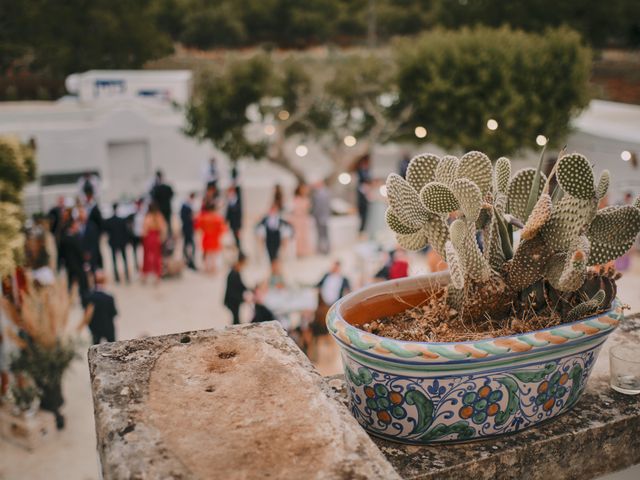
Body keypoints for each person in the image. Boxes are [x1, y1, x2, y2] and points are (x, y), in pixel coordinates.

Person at [79, 270, 117, 344]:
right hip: (107, 327)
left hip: (95, 327)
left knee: (95, 347)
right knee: (113, 346)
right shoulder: (109, 298)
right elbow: (113, 313)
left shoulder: (88, 297)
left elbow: (86, 312)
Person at [314, 261, 350, 335]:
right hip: (323, 303)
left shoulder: (344, 279)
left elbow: (348, 290)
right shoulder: (326, 275)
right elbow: (318, 285)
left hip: (335, 303)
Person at [60, 218, 89, 300]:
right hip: (77, 264)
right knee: (81, 282)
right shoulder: (74, 238)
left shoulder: (64, 237)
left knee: (70, 281)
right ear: (72, 226)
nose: (77, 227)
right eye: (76, 225)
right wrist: (84, 261)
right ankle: (83, 297)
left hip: (68, 264)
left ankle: (70, 296)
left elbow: (61, 253)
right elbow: (79, 252)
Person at [195, 202, 226, 273]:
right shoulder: (218, 218)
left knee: (207, 254)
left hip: (206, 238)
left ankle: (207, 268)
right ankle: (213, 268)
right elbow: (222, 229)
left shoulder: (203, 217)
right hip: (215, 238)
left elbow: (198, 228)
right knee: (214, 255)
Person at [104, 203, 130, 283]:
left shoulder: (109, 221)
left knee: (114, 260)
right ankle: (126, 275)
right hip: (121, 242)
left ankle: (117, 277)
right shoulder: (121, 220)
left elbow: (107, 232)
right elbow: (125, 232)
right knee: (124, 259)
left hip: (113, 242)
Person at [142, 202, 167, 283]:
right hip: (156, 237)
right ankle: (157, 275)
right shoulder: (159, 216)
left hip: (149, 237)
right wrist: (162, 238)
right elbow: (163, 228)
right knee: (157, 257)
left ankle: (145, 275)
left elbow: (144, 229)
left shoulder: (148, 216)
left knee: (147, 256)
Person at [289, 183, 313, 257]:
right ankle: (298, 252)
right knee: (298, 236)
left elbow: (308, 210)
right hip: (297, 219)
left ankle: (304, 251)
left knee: (304, 236)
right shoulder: (295, 199)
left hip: (304, 219)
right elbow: (292, 209)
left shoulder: (306, 199)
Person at [224, 254, 248, 325]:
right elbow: (232, 291)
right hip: (232, 301)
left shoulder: (236, 271)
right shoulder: (233, 274)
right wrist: (242, 298)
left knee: (236, 319)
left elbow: (241, 285)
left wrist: (250, 289)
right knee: (236, 319)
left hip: (235, 300)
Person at [150, 170, 174, 238]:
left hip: (160, 209)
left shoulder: (156, 188)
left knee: (161, 224)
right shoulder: (167, 187)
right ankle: (169, 236)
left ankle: (163, 237)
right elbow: (171, 195)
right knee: (168, 223)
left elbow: (153, 197)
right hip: (167, 208)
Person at [311, 180, 331, 255]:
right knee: (322, 234)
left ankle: (325, 249)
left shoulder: (321, 194)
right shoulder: (325, 193)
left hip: (321, 217)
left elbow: (319, 207)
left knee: (323, 234)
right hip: (322, 217)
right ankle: (323, 249)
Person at [48, 196, 66, 271]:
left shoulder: (66, 209)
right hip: (58, 235)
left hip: (65, 235)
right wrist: (52, 231)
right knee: (59, 251)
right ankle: (59, 267)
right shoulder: (55, 210)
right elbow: (49, 219)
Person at [355, 154, 372, 234]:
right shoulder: (360, 171)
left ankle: (363, 229)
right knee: (363, 212)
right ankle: (361, 230)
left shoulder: (367, 170)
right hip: (362, 193)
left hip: (366, 192)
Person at [180, 193, 197, 270]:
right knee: (190, 244)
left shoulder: (187, 206)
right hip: (187, 228)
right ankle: (188, 259)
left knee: (187, 244)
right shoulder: (186, 207)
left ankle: (188, 258)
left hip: (188, 228)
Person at [225, 184, 243, 252]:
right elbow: (228, 213)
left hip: (236, 224)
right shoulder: (229, 201)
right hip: (231, 223)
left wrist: (239, 226)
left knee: (237, 239)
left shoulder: (237, 201)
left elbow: (239, 214)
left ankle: (239, 252)